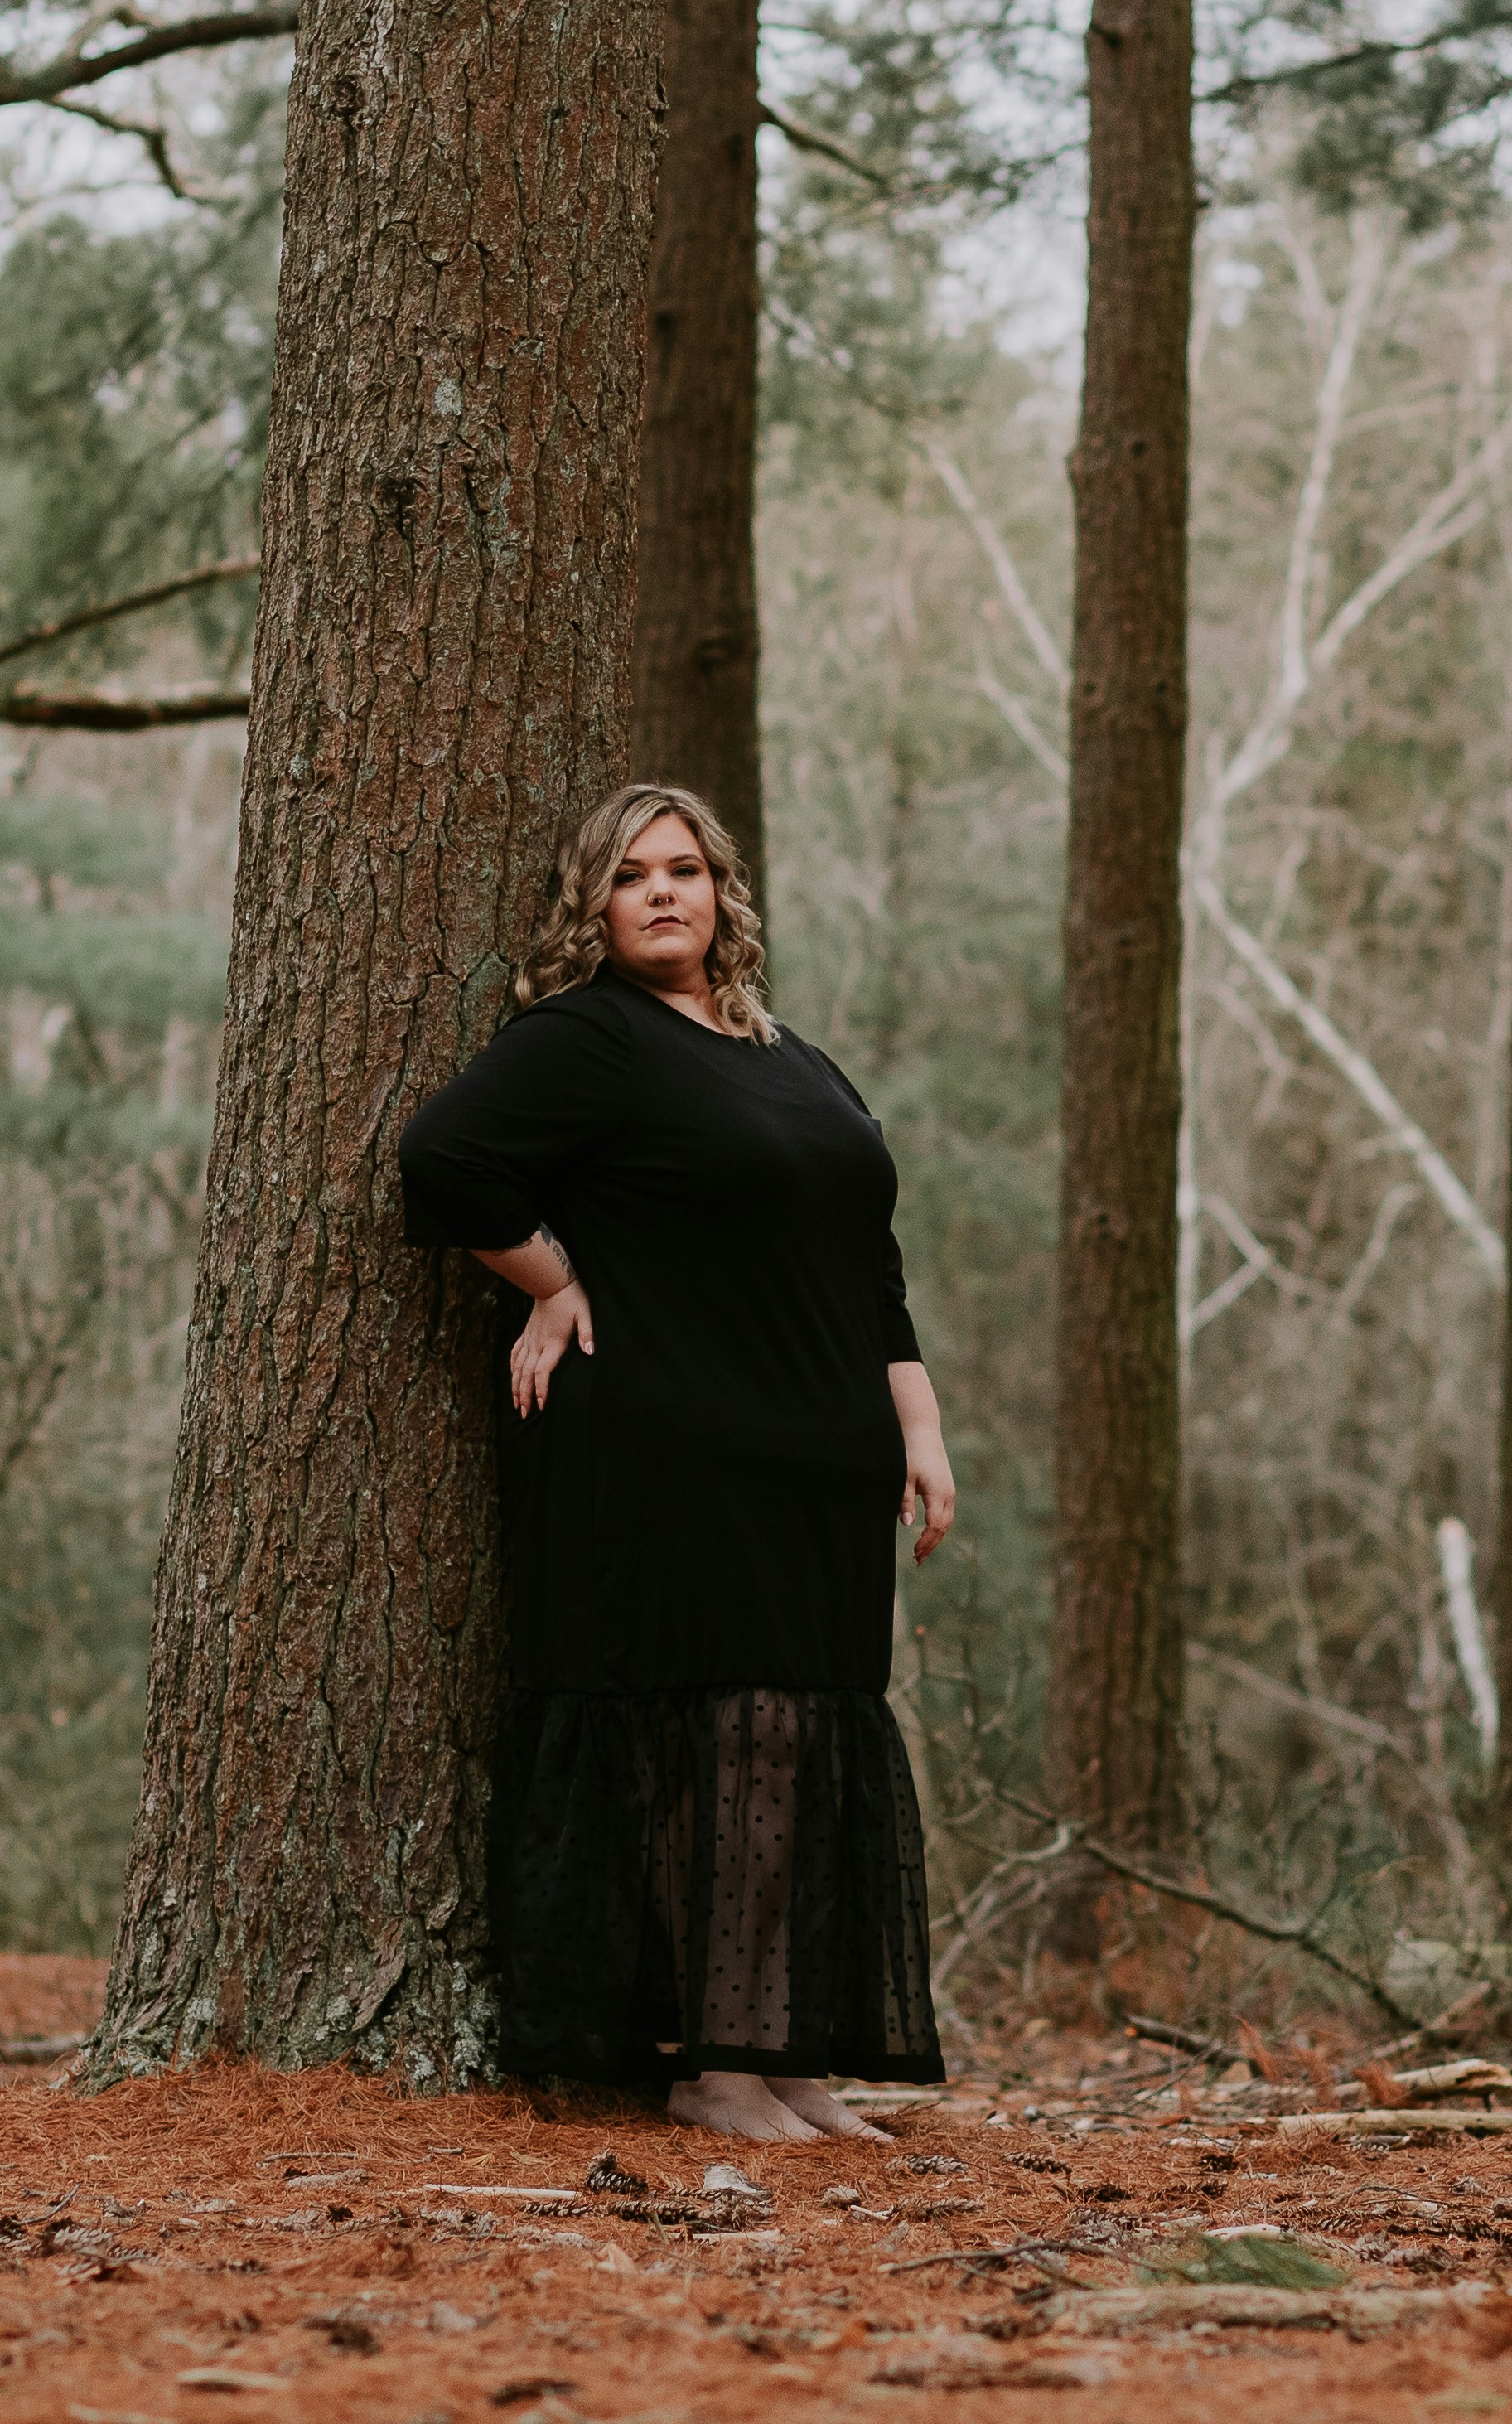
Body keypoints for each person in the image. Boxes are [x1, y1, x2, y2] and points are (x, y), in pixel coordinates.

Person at [401, 781, 957, 2143]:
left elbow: (867, 1266)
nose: (664, 892)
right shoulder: (585, 1039)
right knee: (723, 1743)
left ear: (724, 896)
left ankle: (783, 2059)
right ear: (594, 905)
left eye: (688, 870)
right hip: (667, 1450)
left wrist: (922, 1431)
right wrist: (551, 1279)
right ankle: (712, 2069)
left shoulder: (798, 1060)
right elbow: (444, 1162)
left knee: (803, 1739)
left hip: (821, 1462)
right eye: (633, 874)